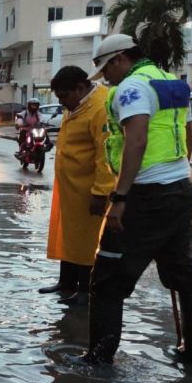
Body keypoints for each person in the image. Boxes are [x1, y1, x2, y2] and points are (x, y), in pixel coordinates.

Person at [85, 34, 192, 366]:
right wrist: (174, 175)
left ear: (120, 59)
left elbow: (136, 140)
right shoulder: (172, 83)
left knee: (107, 281)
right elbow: (188, 138)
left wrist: (120, 197)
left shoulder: (132, 87)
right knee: (185, 278)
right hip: (180, 191)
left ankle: (99, 361)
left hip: (144, 196)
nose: (106, 78)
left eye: (106, 69)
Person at [41, 66, 115, 306]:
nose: (62, 102)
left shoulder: (100, 108)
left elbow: (105, 154)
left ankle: (85, 290)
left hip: (89, 189)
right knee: (68, 235)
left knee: (86, 240)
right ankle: (66, 282)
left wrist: (101, 192)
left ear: (80, 88)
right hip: (70, 186)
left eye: (64, 96)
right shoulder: (76, 105)